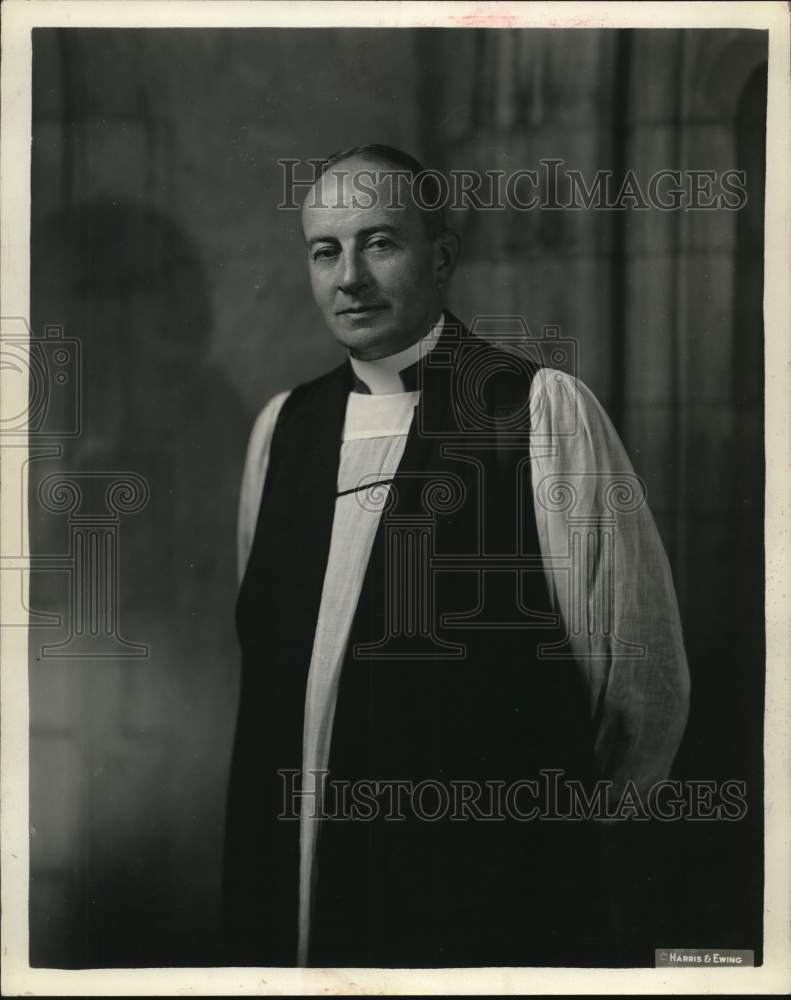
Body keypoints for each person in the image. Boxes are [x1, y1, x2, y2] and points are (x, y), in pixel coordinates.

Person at [223, 144, 690, 969]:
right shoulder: (283, 429)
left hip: (483, 874)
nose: (349, 278)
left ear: (440, 257)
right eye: (324, 250)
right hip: (291, 860)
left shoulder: (536, 413)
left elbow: (636, 682)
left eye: (380, 242)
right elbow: (273, 656)